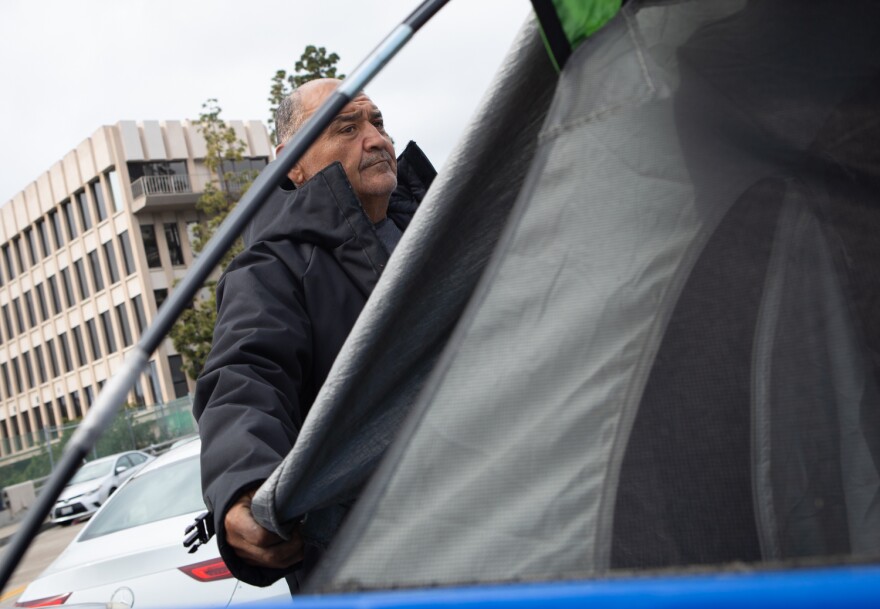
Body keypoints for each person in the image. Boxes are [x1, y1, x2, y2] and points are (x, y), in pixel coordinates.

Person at [193, 78, 436, 590]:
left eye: (378, 123)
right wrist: (244, 487)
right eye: (346, 128)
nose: (375, 139)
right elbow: (245, 376)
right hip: (373, 573)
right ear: (291, 164)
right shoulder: (269, 272)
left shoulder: (442, 229)